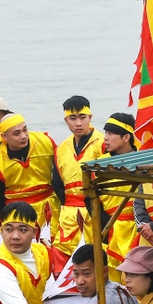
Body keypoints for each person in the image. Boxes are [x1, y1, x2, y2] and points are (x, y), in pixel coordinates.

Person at [0, 112, 63, 234]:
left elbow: (62, 171)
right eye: (17, 133)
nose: (23, 136)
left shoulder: (45, 142)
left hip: (49, 208)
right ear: (4, 137)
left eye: (25, 130)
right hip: (17, 214)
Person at [54, 96, 105, 255]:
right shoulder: (61, 148)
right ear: (66, 120)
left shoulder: (103, 143)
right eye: (72, 118)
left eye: (82, 118)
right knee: (61, 256)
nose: (78, 123)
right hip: (68, 215)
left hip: (96, 211)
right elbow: (56, 183)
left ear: (90, 117)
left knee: (96, 257)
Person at [98, 112, 139, 271]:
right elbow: (90, 199)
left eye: (111, 133)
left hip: (138, 229)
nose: (105, 138)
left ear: (126, 137)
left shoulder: (144, 159)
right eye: (105, 133)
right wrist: (105, 228)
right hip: (110, 228)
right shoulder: (99, 164)